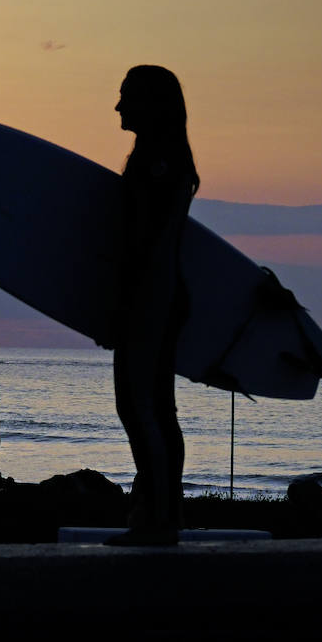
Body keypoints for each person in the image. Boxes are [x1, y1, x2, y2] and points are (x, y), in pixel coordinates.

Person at [106, 65, 198, 546]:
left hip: (151, 296)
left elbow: (147, 244)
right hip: (163, 296)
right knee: (157, 407)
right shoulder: (165, 158)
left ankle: (158, 520)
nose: (118, 107)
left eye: (125, 97)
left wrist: (125, 306)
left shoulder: (156, 163)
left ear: (150, 103)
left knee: (140, 406)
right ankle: (163, 513)